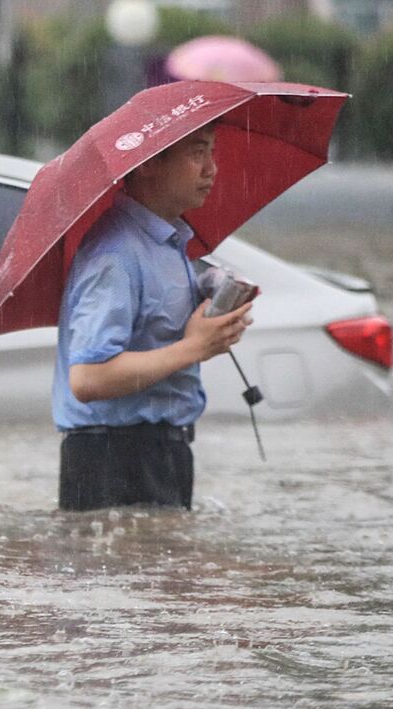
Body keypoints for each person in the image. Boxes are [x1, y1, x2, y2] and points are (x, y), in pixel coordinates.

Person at [55, 124, 253, 511]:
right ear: (147, 164)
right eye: (197, 153)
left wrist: (214, 304)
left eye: (212, 152)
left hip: (162, 449)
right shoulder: (115, 254)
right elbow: (87, 378)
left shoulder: (170, 242)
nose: (211, 169)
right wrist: (194, 348)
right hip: (113, 457)